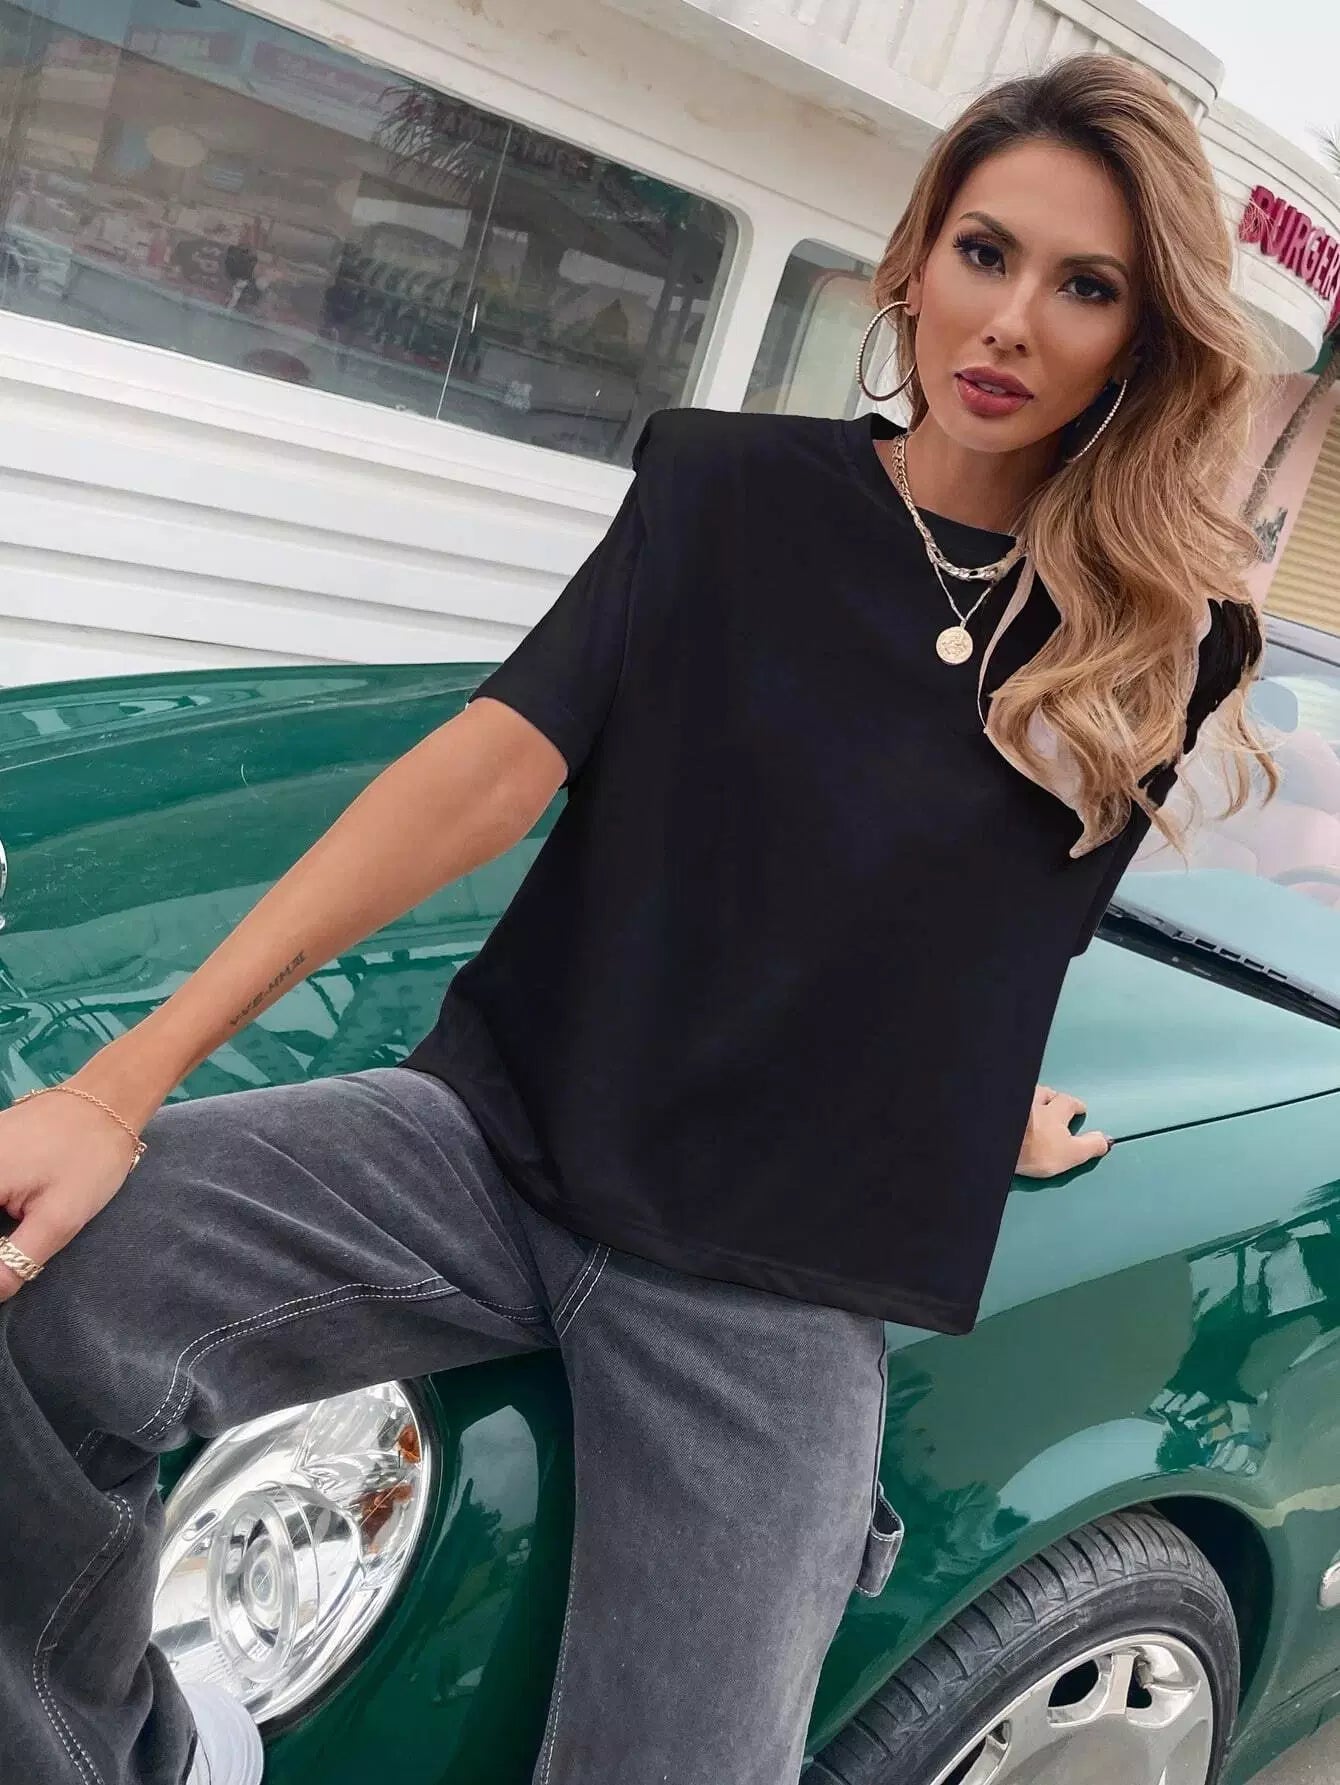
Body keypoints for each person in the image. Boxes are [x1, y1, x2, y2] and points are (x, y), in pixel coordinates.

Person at [0, 53, 1279, 1785]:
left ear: (1140, 336)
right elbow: (477, 777)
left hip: (774, 1280)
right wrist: (116, 1087)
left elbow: (1012, 929)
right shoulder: (724, 492)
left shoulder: (1156, 636)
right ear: (914, 259)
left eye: (1086, 286)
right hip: (495, 1143)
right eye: (986, 252)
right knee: (47, 1295)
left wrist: (993, 1105)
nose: (1011, 322)